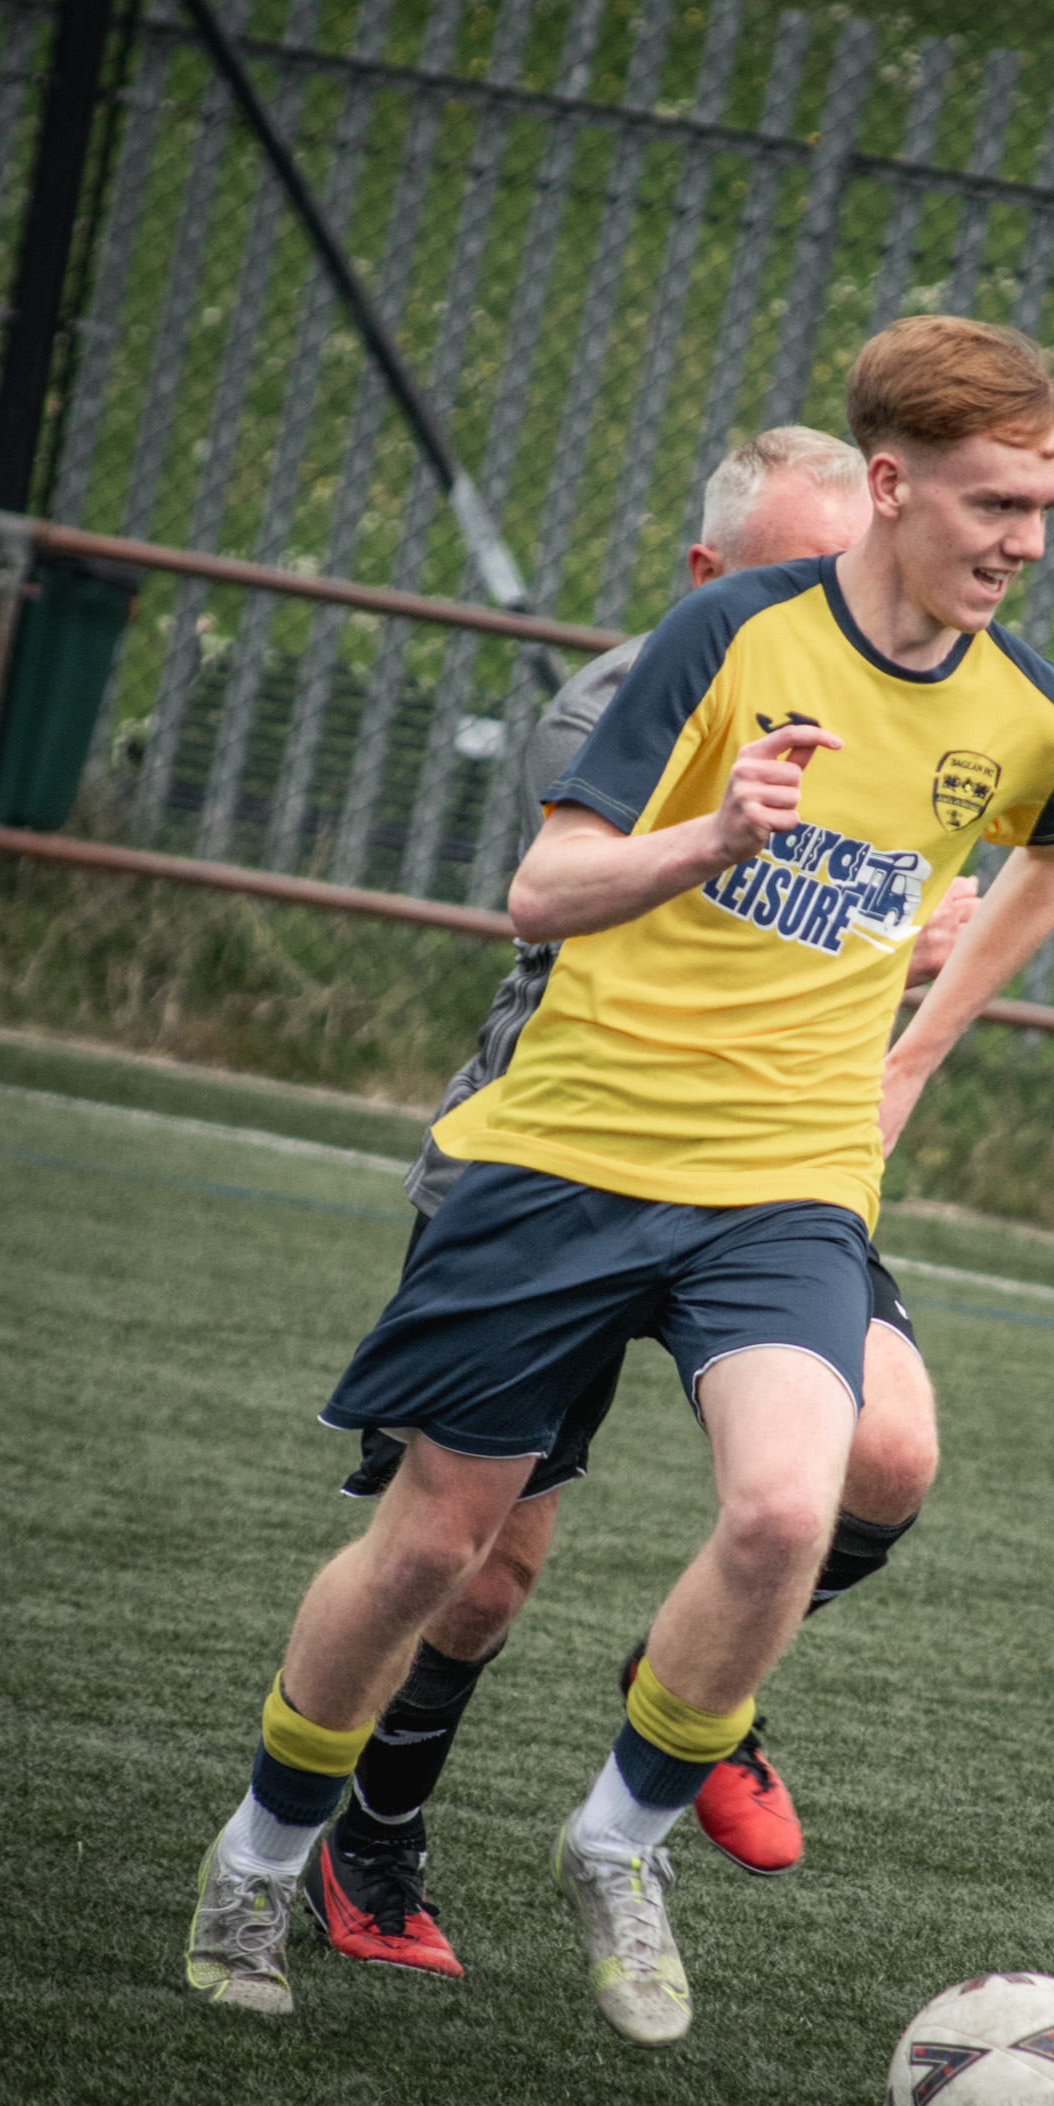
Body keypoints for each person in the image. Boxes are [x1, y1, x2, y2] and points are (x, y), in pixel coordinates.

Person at [185, 315, 1054, 2048]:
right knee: (438, 1551)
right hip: (566, 1155)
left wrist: (912, 1054)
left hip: (783, 1183)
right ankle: (262, 1853)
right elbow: (545, 891)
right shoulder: (721, 638)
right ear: (893, 488)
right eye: (997, 502)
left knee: (789, 1505)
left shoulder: (1029, 712)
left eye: (1048, 508)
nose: (1024, 542)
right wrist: (719, 838)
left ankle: (619, 1843)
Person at [302, 428, 978, 1981]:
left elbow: (968, 880)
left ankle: (696, 1692)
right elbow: (696, 891)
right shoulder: (617, 704)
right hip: (569, 1159)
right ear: (704, 580)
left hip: (771, 1176)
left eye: (853, 567)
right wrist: (883, 924)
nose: (836, 599)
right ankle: (370, 1834)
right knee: (480, 1561)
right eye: (798, 570)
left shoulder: (919, 693)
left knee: (882, 1455)